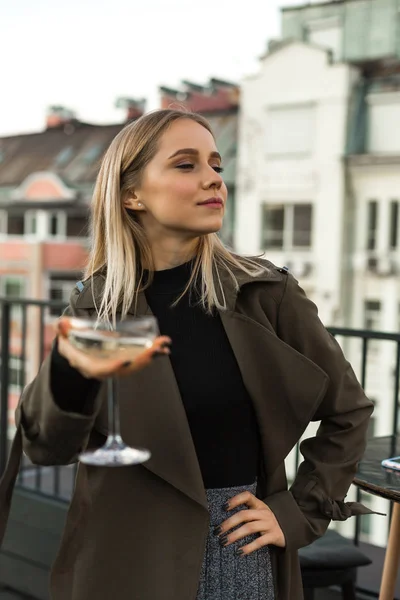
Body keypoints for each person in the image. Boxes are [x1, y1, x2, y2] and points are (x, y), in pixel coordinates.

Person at [0, 109, 374, 600]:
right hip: (124, 552)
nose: (213, 179)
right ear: (132, 195)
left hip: (235, 549)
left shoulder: (265, 294)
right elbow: (48, 447)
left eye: (216, 165)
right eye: (185, 165)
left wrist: (300, 511)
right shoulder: (97, 304)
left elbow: (349, 412)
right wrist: (73, 368)